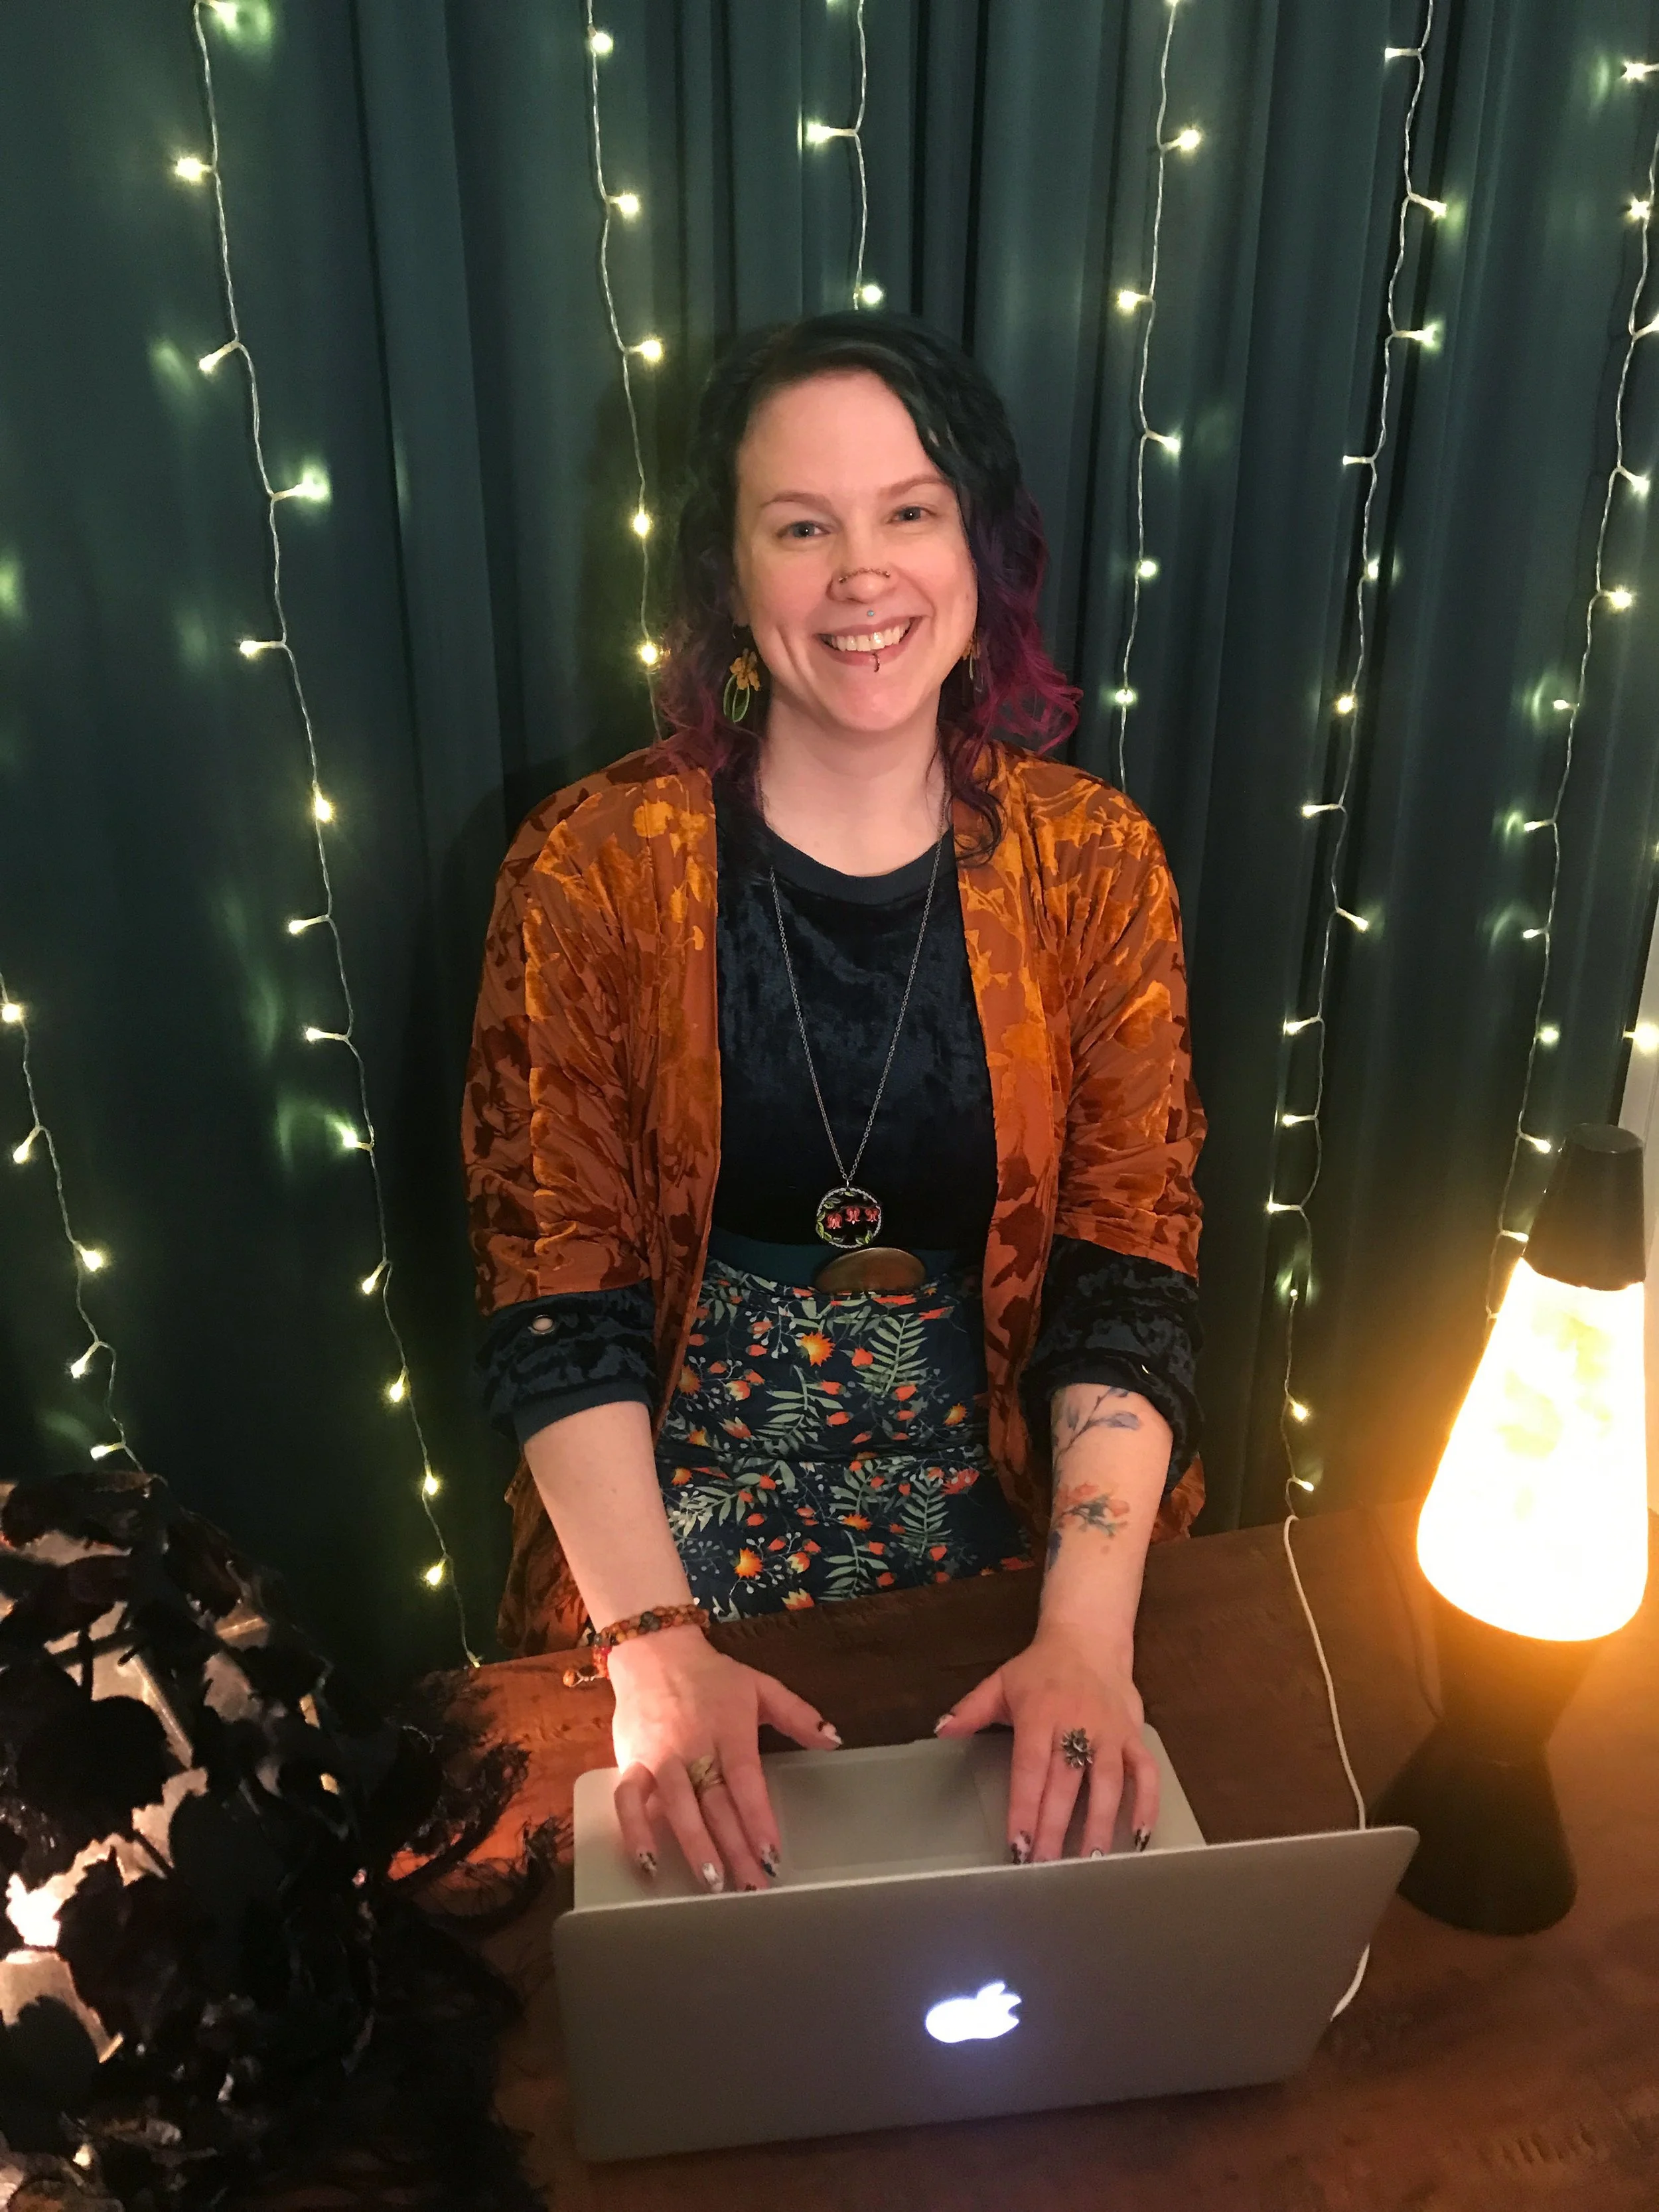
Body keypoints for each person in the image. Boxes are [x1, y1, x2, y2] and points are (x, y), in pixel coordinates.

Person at [463, 311, 1205, 1898]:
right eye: (803, 527)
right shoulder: (588, 869)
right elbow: (555, 1293)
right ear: (730, 577)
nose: (861, 574)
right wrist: (656, 1654)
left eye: (907, 513)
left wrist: (1080, 1636)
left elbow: (1124, 1274)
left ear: (978, 552)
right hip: (666, 1551)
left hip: (1013, 1530)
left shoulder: (1095, 867)